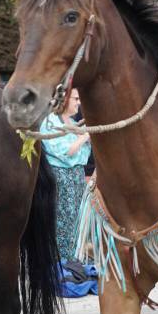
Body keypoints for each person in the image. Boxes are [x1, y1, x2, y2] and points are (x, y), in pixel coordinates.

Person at [41, 90, 92, 261]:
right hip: (61, 180)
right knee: (63, 225)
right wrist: (85, 135)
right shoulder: (50, 122)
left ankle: (73, 266)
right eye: (76, 99)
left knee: (77, 224)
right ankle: (61, 266)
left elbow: (83, 153)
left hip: (76, 178)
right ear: (64, 100)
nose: (79, 102)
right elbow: (65, 151)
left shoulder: (72, 123)